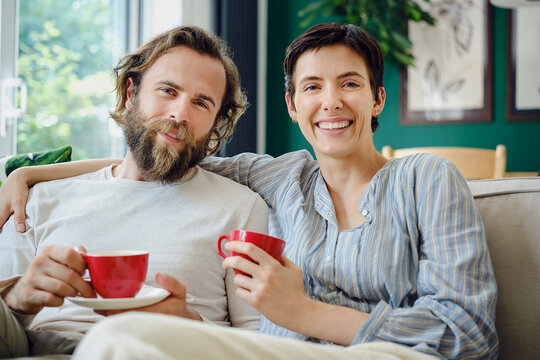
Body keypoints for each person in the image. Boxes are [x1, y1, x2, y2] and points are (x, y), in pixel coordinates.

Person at [0, 23, 498, 359]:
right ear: (290, 104)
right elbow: (162, 150)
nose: (330, 102)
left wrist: (304, 313)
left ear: (376, 99)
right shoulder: (280, 179)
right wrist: (27, 175)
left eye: (349, 83)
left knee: (124, 339)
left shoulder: (426, 178)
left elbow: (470, 333)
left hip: (378, 354)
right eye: (311, 87)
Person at [0, 25, 268, 358]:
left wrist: (190, 326)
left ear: (216, 122)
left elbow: (261, 344)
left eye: (201, 103)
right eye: (168, 91)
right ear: (131, 93)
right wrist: (19, 298)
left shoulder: (242, 209)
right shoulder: (37, 199)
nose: (179, 114)